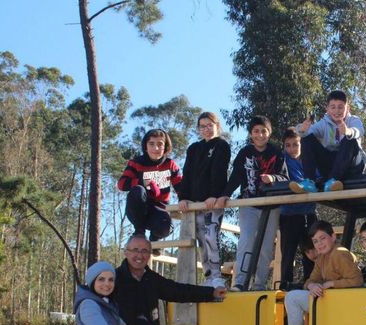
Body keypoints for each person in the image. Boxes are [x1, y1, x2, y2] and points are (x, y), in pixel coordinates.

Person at [214, 115, 288, 291]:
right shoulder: (245, 153)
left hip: (271, 206)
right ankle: (240, 281)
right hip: (248, 203)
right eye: (256, 131)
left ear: (269, 133)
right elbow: (236, 177)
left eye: (264, 131)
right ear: (250, 134)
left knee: (266, 245)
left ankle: (259, 284)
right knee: (246, 240)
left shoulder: (276, 152)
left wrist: (272, 178)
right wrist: (225, 194)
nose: (260, 135)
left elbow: (285, 177)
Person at [176, 112, 231, 287]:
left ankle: (216, 275)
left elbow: (219, 172)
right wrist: (183, 197)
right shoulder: (193, 149)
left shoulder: (221, 145)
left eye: (210, 125)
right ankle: (208, 276)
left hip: (213, 203)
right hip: (195, 204)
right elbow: (187, 174)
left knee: (211, 237)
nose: (206, 129)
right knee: (201, 240)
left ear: (217, 125)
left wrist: (215, 195)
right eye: (202, 126)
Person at [284, 221, 363, 325]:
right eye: (315, 241)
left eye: (322, 238)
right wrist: (312, 286)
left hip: (343, 302)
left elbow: (357, 280)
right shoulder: (322, 258)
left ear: (333, 236)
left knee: (292, 298)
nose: (319, 244)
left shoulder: (339, 253)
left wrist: (331, 284)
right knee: (293, 296)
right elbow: (310, 280)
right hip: (330, 299)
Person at [291, 90, 366, 193]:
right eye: (333, 107)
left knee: (350, 139)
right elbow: (309, 132)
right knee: (307, 138)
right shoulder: (324, 123)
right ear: (327, 109)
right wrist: (302, 129)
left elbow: (360, 131)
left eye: (340, 107)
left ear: (347, 108)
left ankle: (333, 181)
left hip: (351, 166)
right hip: (331, 167)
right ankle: (309, 182)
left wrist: (348, 131)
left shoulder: (353, 120)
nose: (337, 111)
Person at [117, 129, 182, 248]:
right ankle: (139, 233)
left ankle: (154, 239)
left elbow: (180, 187)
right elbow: (121, 184)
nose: (155, 148)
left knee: (166, 227)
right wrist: (141, 181)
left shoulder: (170, 164)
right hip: (138, 209)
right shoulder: (136, 163)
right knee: (138, 190)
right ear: (145, 146)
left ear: (165, 147)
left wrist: (184, 200)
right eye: (151, 144)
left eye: (160, 144)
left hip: (159, 211)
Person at [279, 128, 318, 290]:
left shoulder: (309, 160)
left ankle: (311, 282)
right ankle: (285, 285)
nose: (292, 149)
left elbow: (317, 178)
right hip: (289, 214)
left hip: (308, 212)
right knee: (288, 252)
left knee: (311, 251)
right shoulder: (283, 161)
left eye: (295, 144)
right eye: (288, 145)